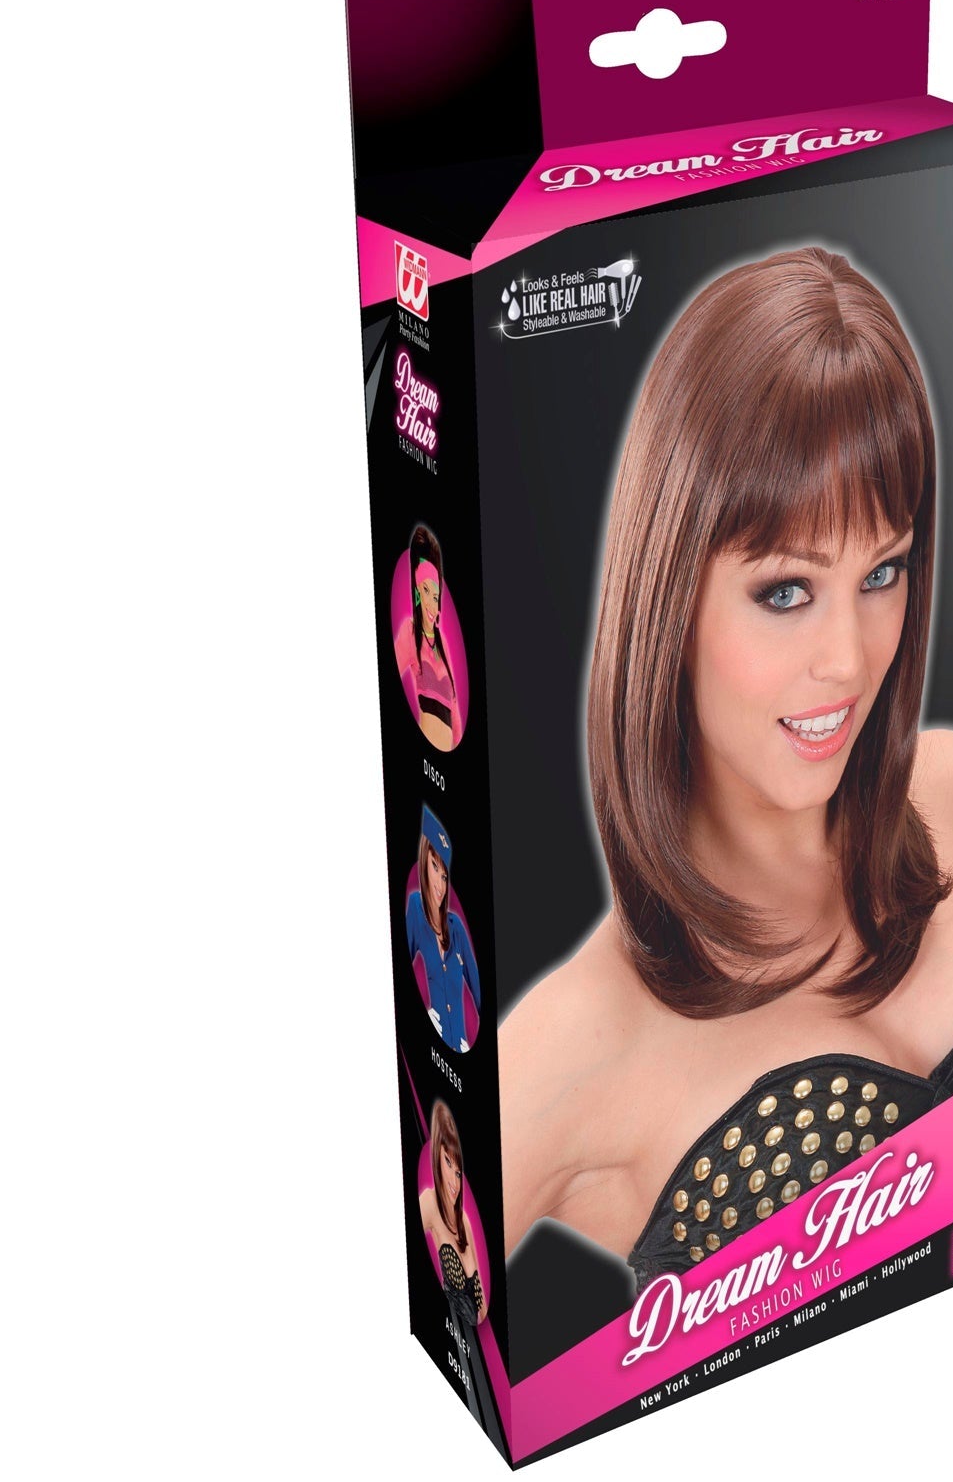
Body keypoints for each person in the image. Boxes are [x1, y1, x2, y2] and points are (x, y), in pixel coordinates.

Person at [498, 247, 953, 1291]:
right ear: (670, 602)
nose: (849, 660)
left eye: (882, 572)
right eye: (786, 590)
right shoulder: (581, 1040)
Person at [419, 1101, 492, 1429]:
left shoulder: (464, 1221)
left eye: (459, 1171)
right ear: (436, 1156)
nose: (454, 1179)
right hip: (453, 1337)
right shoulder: (428, 1204)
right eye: (447, 1162)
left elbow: (482, 1306)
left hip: (475, 1338)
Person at [406, 806, 482, 1052]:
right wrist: (423, 1014)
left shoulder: (455, 927)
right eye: (434, 867)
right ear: (423, 863)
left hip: (459, 1047)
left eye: (445, 875)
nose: (440, 884)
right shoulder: (416, 909)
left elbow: (478, 991)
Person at [394, 524, 463, 750]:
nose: (433, 605)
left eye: (436, 596)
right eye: (426, 591)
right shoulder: (410, 632)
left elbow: (455, 714)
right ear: (416, 591)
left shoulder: (443, 645)